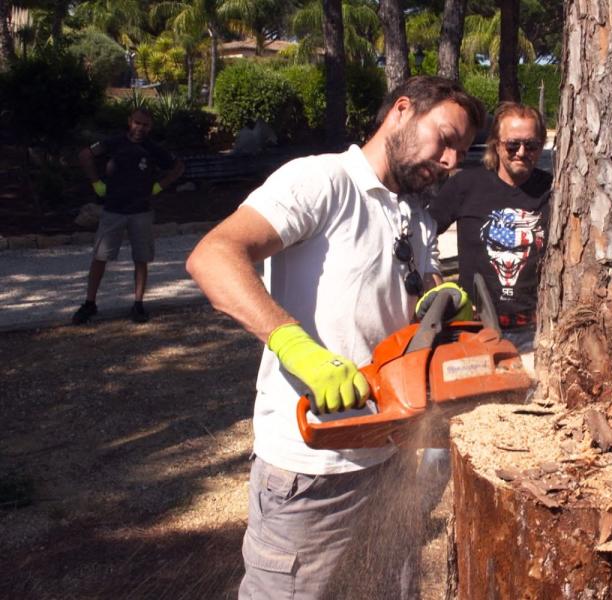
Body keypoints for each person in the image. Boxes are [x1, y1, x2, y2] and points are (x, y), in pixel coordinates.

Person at [185, 76, 485, 599]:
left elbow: (411, 288)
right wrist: (300, 350)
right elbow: (213, 255)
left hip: (391, 455)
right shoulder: (320, 180)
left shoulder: (414, 213)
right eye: (446, 138)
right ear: (402, 111)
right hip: (312, 471)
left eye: (461, 150)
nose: (451, 160)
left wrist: (437, 299)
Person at [429, 102, 552, 353]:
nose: (521, 152)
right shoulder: (466, 185)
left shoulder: (553, 189)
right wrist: (436, 284)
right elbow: (424, 234)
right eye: (512, 144)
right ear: (496, 143)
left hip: (537, 331)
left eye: (531, 145)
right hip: (474, 329)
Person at [72, 108, 185, 324]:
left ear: (150, 127)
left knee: (141, 258)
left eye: (145, 125)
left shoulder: (153, 149)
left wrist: (158, 187)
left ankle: (138, 304)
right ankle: (89, 303)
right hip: (113, 209)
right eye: (137, 123)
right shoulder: (112, 143)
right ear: (129, 122)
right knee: (100, 257)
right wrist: (97, 184)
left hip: (141, 211)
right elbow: (85, 155)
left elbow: (178, 167)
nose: (140, 128)